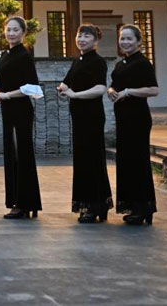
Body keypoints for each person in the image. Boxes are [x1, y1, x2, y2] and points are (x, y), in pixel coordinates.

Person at [57, 24, 113, 223]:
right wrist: (63, 88)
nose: (81, 39)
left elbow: (100, 88)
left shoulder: (98, 62)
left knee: (93, 159)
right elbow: (67, 82)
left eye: (87, 36)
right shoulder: (77, 60)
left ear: (96, 40)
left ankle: (95, 205)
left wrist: (75, 95)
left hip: (92, 116)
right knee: (82, 160)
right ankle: (89, 204)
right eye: (79, 35)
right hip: (78, 116)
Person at [0, 17, 42, 219]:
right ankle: (19, 202)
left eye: (15, 30)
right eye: (8, 30)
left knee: (23, 155)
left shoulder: (24, 56)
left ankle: (24, 204)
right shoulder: (7, 54)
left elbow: (33, 87)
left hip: (20, 110)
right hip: (8, 110)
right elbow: (3, 77)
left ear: (23, 33)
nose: (11, 33)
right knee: (12, 155)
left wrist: (7, 95)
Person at [109, 24, 159, 226]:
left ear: (139, 42)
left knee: (139, 163)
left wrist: (129, 92)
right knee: (126, 162)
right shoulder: (121, 64)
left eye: (130, 39)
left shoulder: (143, 63)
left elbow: (154, 90)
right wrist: (111, 90)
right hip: (122, 118)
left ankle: (144, 208)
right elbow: (115, 84)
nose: (125, 42)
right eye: (122, 38)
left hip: (138, 118)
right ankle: (132, 206)